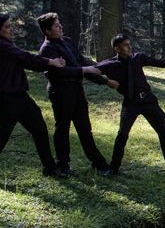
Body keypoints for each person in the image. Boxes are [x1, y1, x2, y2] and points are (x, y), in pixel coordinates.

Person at [37, 12, 117, 176]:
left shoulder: (66, 41)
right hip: (60, 93)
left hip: (76, 92)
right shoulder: (47, 49)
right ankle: (63, 165)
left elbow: (80, 60)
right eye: (57, 26)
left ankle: (99, 163)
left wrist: (102, 71)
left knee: (85, 129)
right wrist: (84, 69)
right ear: (47, 31)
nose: (61, 27)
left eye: (60, 24)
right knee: (63, 129)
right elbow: (61, 72)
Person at [96, 34, 165, 178]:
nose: (129, 47)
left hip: (149, 101)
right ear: (116, 49)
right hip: (131, 104)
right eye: (125, 45)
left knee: (163, 132)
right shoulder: (111, 64)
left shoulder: (139, 58)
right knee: (122, 135)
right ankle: (113, 168)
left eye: (129, 44)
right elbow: (90, 71)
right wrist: (106, 81)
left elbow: (161, 63)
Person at [0, 13, 66, 176]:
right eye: (7, 27)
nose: (11, 30)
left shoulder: (7, 45)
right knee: (1, 136)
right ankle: (50, 168)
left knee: (39, 129)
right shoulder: (2, 46)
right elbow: (25, 56)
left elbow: (27, 62)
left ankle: (50, 168)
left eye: (11, 26)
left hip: (21, 97)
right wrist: (50, 62)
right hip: (6, 99)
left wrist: (48, 65)